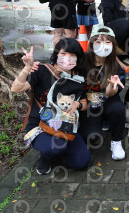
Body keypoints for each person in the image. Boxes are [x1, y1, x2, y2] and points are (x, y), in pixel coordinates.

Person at [11, 38, 90, 175]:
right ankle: (46, 157)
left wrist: (77, 104)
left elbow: (84, 104)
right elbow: (16, 88)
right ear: (56, 54)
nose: (67, 58)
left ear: (78, 58)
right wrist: (27, 68)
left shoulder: (76, 78)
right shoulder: (43, 70)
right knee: (55, 148)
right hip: (41, 125)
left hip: (66, 125)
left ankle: (59, 151)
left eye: (72, 55)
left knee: (81, 162)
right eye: (63, 54)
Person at [79, 26, 127, 160]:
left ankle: (116, 142)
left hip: (107, 101)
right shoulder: (82, 61)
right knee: (92, 137)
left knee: (118, 109)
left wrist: (111, 84)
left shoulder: (115, 65)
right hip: (87, 105)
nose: (103, 45)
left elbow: (110, 94)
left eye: (107, 42)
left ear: (113, 45)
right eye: (98, 42)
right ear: (91, 43)